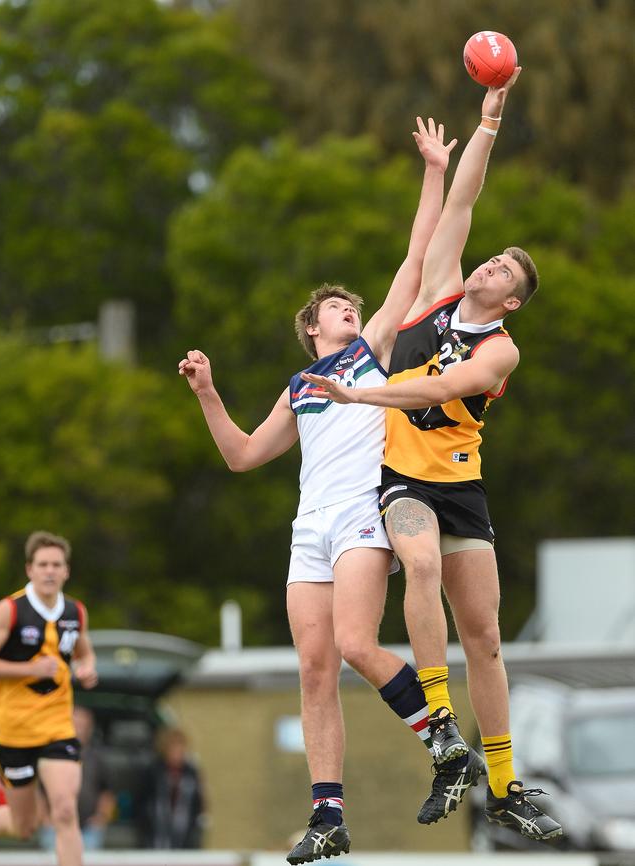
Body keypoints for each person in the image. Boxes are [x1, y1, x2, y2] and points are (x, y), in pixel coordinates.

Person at [179, 118, 485, 866]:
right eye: (337, 309)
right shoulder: (304, 382)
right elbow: (245, 455)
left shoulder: (371, 351)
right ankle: (328, 816)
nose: (351, 310)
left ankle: (443, 736)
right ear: (311, 328)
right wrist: (209, 392)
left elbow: (416, 258)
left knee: (354, 644)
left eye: (354, 306)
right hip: (308, 524)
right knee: (314, 669)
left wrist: (434, 170)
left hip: (360, 513)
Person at [302, 69, 563, 841]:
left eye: (505, 274)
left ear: (511, 301)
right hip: (402, 481)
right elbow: (462, 202)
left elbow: (432, 390)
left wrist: (361, 397)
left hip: (461, 486)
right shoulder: (440, 287)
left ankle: (507, 784)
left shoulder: (502, 351)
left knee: (484, 634)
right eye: (493, 261)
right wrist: (487, 122)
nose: (489, 267)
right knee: (416, 568)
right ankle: (441, 727)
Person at [0, 531, 98, 866]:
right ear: (29, 570)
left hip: (57, 727)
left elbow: (84, 653)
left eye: (56, 565)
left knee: (64, 810)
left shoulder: (76, 612)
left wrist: (88, 669)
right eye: (43, 564)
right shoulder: (10, 610)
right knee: (25, 826)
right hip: (14, 731)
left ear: (66, 571)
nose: (50, 571)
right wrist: (30, 670)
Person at [39, 705, 116, 851]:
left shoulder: (98, 759)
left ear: (91, 728)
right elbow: (40, 792)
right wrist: (45, 819)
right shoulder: (51, 755)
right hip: (55, 828)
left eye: (83, 725)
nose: (79, 729)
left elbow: (107, 793)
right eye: (75, 724)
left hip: (89, 830)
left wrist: (100, 818)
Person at [136, 726, 206, 850]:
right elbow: (142, 802)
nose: (177, 752)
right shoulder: (153, 772)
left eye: (180, 748)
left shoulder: (191, 773)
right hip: (155, 834)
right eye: (173, 748)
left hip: (183, 835)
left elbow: (198, 803)